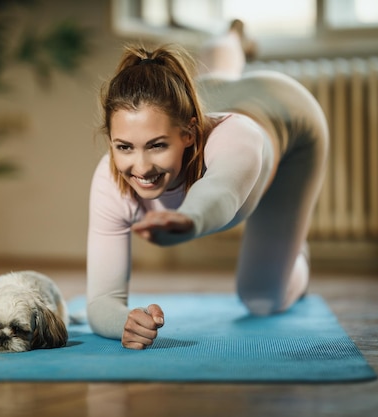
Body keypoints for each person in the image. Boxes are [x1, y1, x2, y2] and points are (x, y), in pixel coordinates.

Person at [86, 33, 329, 350]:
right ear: (111, 141)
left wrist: (188, 219)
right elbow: (103, 301)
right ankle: (231, 40)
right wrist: (127, 321)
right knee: (216, 79)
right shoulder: (110, 179)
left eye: (157, 145)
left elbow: (220, 193)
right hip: (211, 92)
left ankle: (295, 251)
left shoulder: (234, 139)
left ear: (188, 133)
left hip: (289, 115)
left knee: (263, 298)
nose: (141, 167)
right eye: (124, 147)